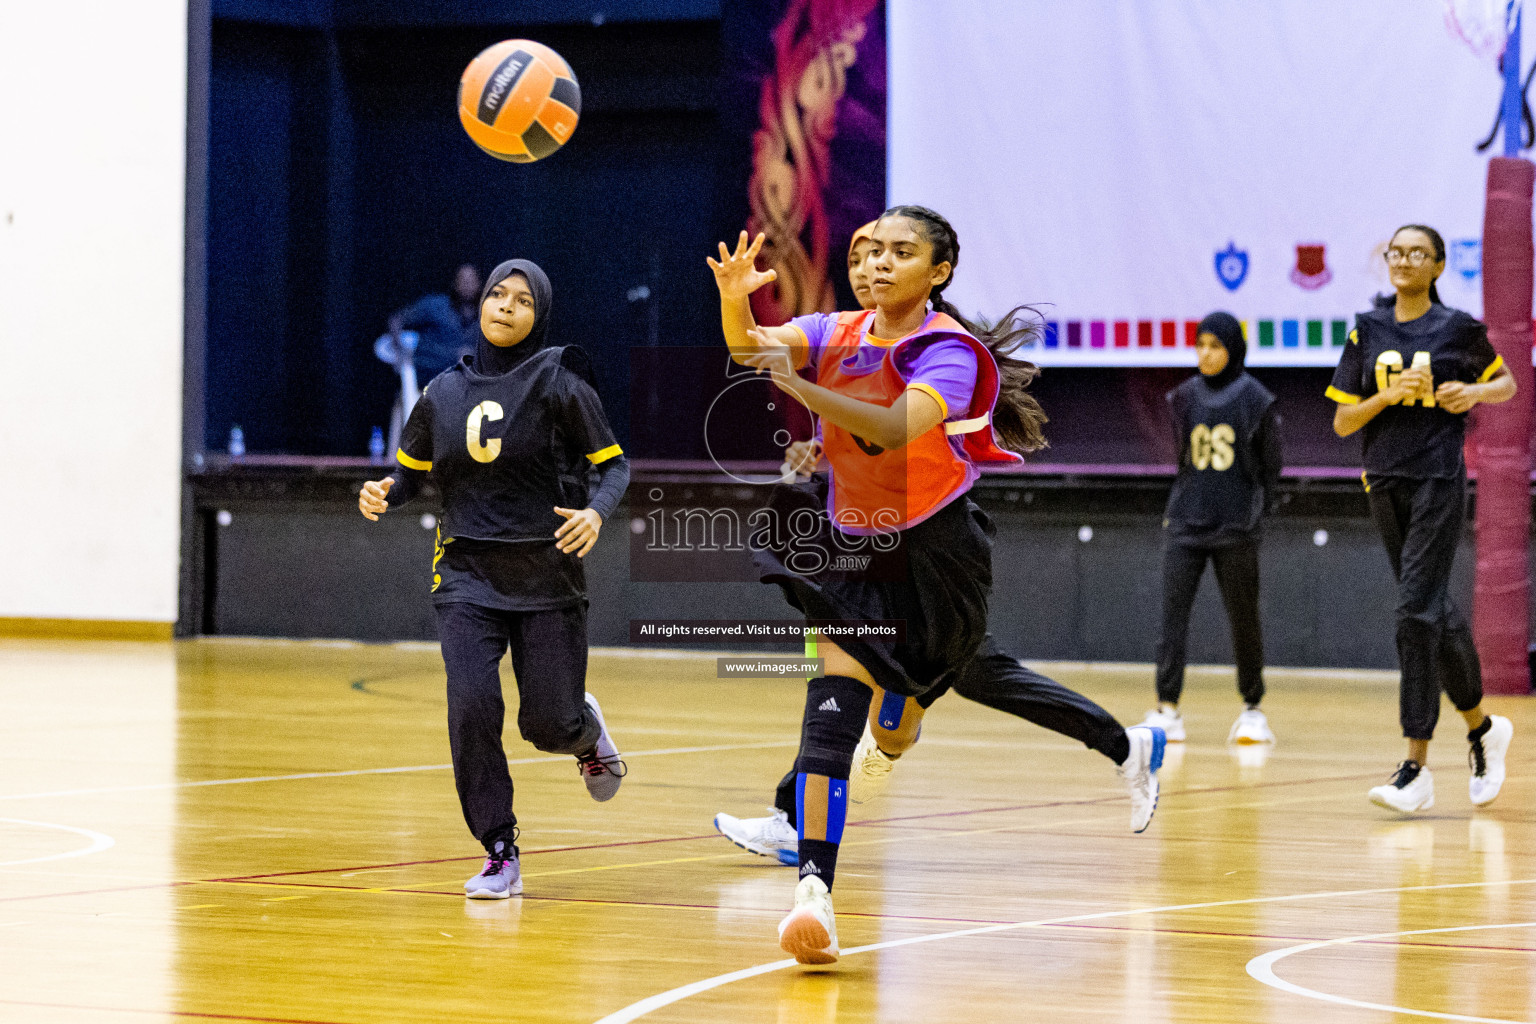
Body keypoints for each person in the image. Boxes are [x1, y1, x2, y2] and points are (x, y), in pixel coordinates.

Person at [708, 208, 1165, 965]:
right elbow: (744, 345)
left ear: (940, 272)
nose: (876, 264)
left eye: (899, 252)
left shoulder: (945, 349)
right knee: (833, 709)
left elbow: (890, 428)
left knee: (909, 719)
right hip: (857, 546)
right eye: (866, 251)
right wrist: (735, 296)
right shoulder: (835, 331)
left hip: (938, 554)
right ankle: (813, 893)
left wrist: (803, 390)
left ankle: (1109, 740)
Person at [357, 259, 631, 897]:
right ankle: (499, 849)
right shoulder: (441, 392)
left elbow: (613, 467)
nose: (506, 307)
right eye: (497, 296)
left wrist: (595, 512)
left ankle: (583, 730)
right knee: (472, 708)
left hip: (546, 578)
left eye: (523, 300)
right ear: (479, 305)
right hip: (465, 577)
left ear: (540, 315)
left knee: (547, 725)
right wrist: (384, 491)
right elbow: (411, 472)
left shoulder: (560, 382)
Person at [1326, 223, 1515, 813]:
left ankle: (1415, 766)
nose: (1404, 260)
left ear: (1437, 265)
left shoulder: (1456, 328)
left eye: (1417, 253)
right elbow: (1343, 423)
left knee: (1413, 612)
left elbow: (1506, 383)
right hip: (1383, 481)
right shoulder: (1368, 328)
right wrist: (1385, 396)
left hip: (1438, 479)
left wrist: (1473, 395)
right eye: (1397, 251)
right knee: (1431, 607)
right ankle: (1483, 728)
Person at [1140, 312, 1282, 746]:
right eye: (1200, 344)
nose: (1205, 353)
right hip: (1186, 522)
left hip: (1235, 526)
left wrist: (1255, 514)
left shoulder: (1255, 398)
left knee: (1244, 619)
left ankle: (1253, 709)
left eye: (1215, 345)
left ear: (1233, 349)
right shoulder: (1182, 396)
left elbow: (1271, 468)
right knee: (1172, 618)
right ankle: (1168, 709)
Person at [389, 264, 483, 379]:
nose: (467, 285)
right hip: (426, 376)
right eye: (463, 280)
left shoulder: (487, 317)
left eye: (471, 281)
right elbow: (397, 320)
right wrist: (400, 352)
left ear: (479, 284)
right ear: (454, 283)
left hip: (461, 385)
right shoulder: (435, 306)